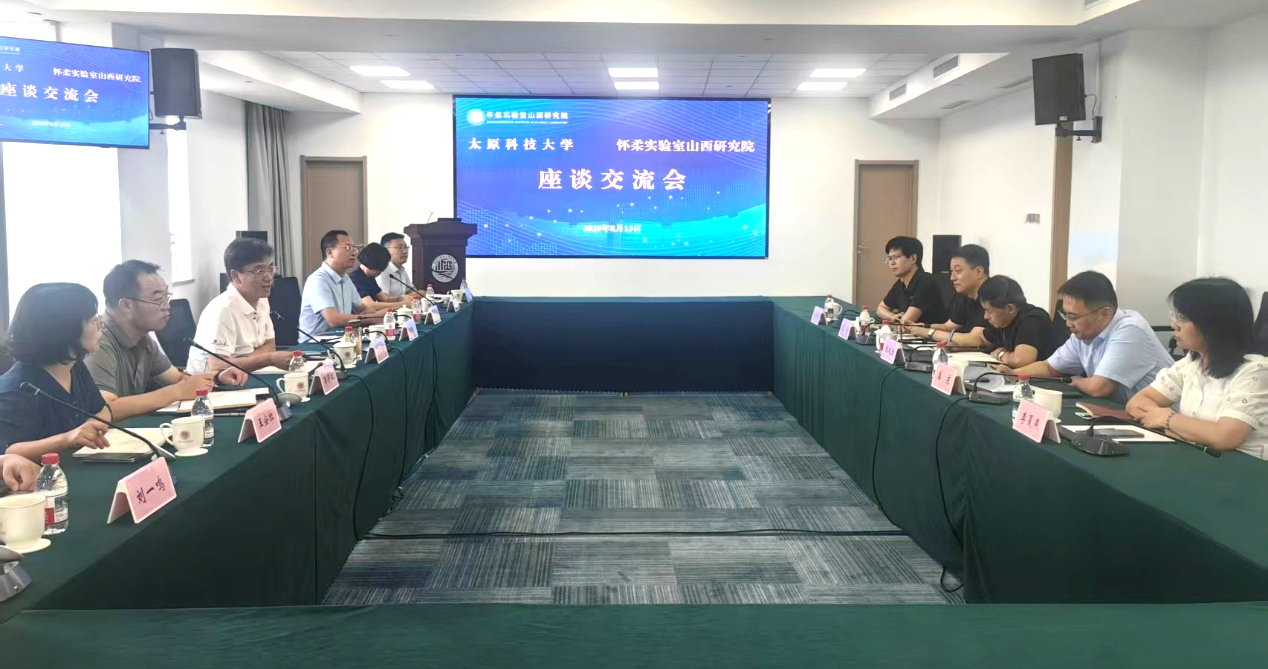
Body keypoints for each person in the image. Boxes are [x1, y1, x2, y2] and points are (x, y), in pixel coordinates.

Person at [86, 261, 246, 421]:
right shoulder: (98, 342)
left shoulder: (141, 337)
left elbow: (178, 379)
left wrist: (216, 377)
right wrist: (177, 391)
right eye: (158, 299)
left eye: (166, 297)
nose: (167, 306)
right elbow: (106, 409)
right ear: (126, 305)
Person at [1127, 278, 1268, 459]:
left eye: (1182, 318)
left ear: (1213, 325)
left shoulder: (1256, 372)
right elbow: (1137, 402)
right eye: (1175, 316)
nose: (1174, 325)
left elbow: (1225, 437)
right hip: (1201, 458)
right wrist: (1177, 428)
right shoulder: (1192, 363)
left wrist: (1169, 419)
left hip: (1245, 467)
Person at [1006, 271, 1173, 404]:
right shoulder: (1083, 334)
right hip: (1126, 412)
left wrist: (1076, 381)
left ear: (1104, 314)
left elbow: (1099, 388)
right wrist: (1011, 374)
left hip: (1165, 422)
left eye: (1073, 317)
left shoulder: (1130, 329)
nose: (1068, 324)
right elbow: (1049, 367)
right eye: (1065, 315)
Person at [0, 283, 113, 461]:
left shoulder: (75, 366)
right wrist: (66, 439)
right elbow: (8, 452)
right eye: (94, 322)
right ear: (65, 330)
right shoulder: (15, 388)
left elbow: (101, 410)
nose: (102, 329)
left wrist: (93, 425)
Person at [188, 238, 295, 373]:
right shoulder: (222, 310)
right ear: (236, 276)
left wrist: (242, 360)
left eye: (270, 269)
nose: (268, 277)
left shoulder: (262, 300)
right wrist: (267, 359)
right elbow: (217, 366)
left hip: (250, 374)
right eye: (259, 271)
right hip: (212, 383)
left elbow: (270, 346)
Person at [298, 230, 389, 340]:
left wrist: (382, 317)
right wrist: (373, 318)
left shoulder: (346, 279)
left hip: (341, 339)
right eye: (348, 248)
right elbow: (333, 320)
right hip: (315, 344)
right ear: (330, 252)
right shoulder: (318, 280)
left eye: (354, 249)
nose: (354, 253)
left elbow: (362, 309)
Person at [975, 276, 1052, 368]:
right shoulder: (1003, 320)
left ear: (1010, 309)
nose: (986, 316)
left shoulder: (1033, 319)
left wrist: (1000, 354)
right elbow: (982, 339)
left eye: (988, 311)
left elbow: (1021, 360)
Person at [923, 244, 989, 345]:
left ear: (979, 272)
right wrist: (920, 327)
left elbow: (975, 339)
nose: (952, 278)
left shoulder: (993, 296)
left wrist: (930, 333)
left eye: (958, 271)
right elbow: (948, 327)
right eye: (951, 271)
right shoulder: (965, 294)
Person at [875, 236, 947, 326]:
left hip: (929, 334)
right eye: (889, 258)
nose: (892, 263)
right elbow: (880, 309)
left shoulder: (926, 282)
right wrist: (892, 316)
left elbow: (907, 322)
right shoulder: (900, 284)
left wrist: (898, 320)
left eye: (896, 257)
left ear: (913, 258)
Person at [348, 243, 412, 312]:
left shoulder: (370, 277)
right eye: (378, 271)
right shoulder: (355, 279)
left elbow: (385, 299)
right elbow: (370, 305)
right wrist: (402, 305)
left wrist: (400, 299)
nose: (380, 273)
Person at [376, 232, 415, 299]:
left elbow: (411, 291)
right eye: (399, 248)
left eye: (406, 247)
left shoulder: (401, 269)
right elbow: (383, 299)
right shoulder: (382, 271)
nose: (405, 251)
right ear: (386, 250)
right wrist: (407, 298)